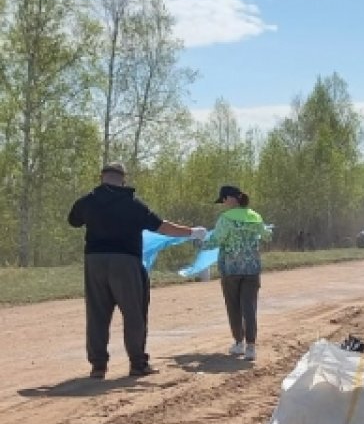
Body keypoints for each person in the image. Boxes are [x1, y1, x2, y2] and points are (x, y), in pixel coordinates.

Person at [67, 162, 206, 378]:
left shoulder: (87, 201)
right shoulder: (133, 204)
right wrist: (192, 232)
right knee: (133, 314)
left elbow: (73, 221)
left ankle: (98, 366)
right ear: (123, 179)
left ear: (101, 177)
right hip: (125, 261)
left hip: (94, 261)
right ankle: (137, 364)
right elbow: (162, 227)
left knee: (97, 315)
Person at [209, 185, 272, 360]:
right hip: (252, 269)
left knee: (234, 307)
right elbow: (267, 236)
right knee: (249, 307)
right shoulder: (255, 216)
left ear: (230, 198)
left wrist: (197, 241)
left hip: (231, 270)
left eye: (223, 199)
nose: (222, 203)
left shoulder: (225, 219)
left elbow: (215, 240)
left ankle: (239, 343)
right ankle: (251, 346)